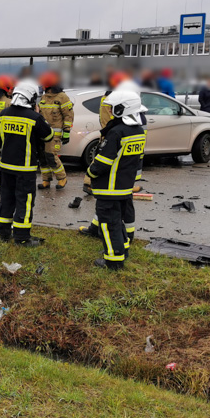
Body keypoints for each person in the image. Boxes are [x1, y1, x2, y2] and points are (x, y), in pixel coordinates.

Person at [85, 82, 147, 270]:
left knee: (108, 224)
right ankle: (122, 249)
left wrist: (90, 173)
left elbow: (103, 162)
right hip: (124, 186)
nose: (110, 111)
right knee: (117, 221)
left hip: (109, 187)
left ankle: (113, 260)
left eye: (113, 108)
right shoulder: (138, 131)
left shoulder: (117, 132)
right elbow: (138, 160)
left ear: (122, 109)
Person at [0, 80, 54, 247]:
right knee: (24, 201)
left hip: (6, 167)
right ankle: (22, 237)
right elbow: (48, 136)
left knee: (6, 199)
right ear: (31, 98)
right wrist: (39, 114)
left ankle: (4, 232)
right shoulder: (34, 117)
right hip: (25, 170)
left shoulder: (4, 114)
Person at [83, 70, 130, 195]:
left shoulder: (108, 96)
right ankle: (89, 182)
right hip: (111, 132)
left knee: (102, 157)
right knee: (103, 159)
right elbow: (113, 118)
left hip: (108, 131)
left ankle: (90, 182)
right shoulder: (113, 98)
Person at [37, 70, 74, 190]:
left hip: (55, 135)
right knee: (42, 157)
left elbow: (68, 115)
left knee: (51, 156)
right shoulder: (44, 97)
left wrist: (67, 131)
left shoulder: (62, 97)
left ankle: (62, 178)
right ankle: (46, 180)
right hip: (43, 134)